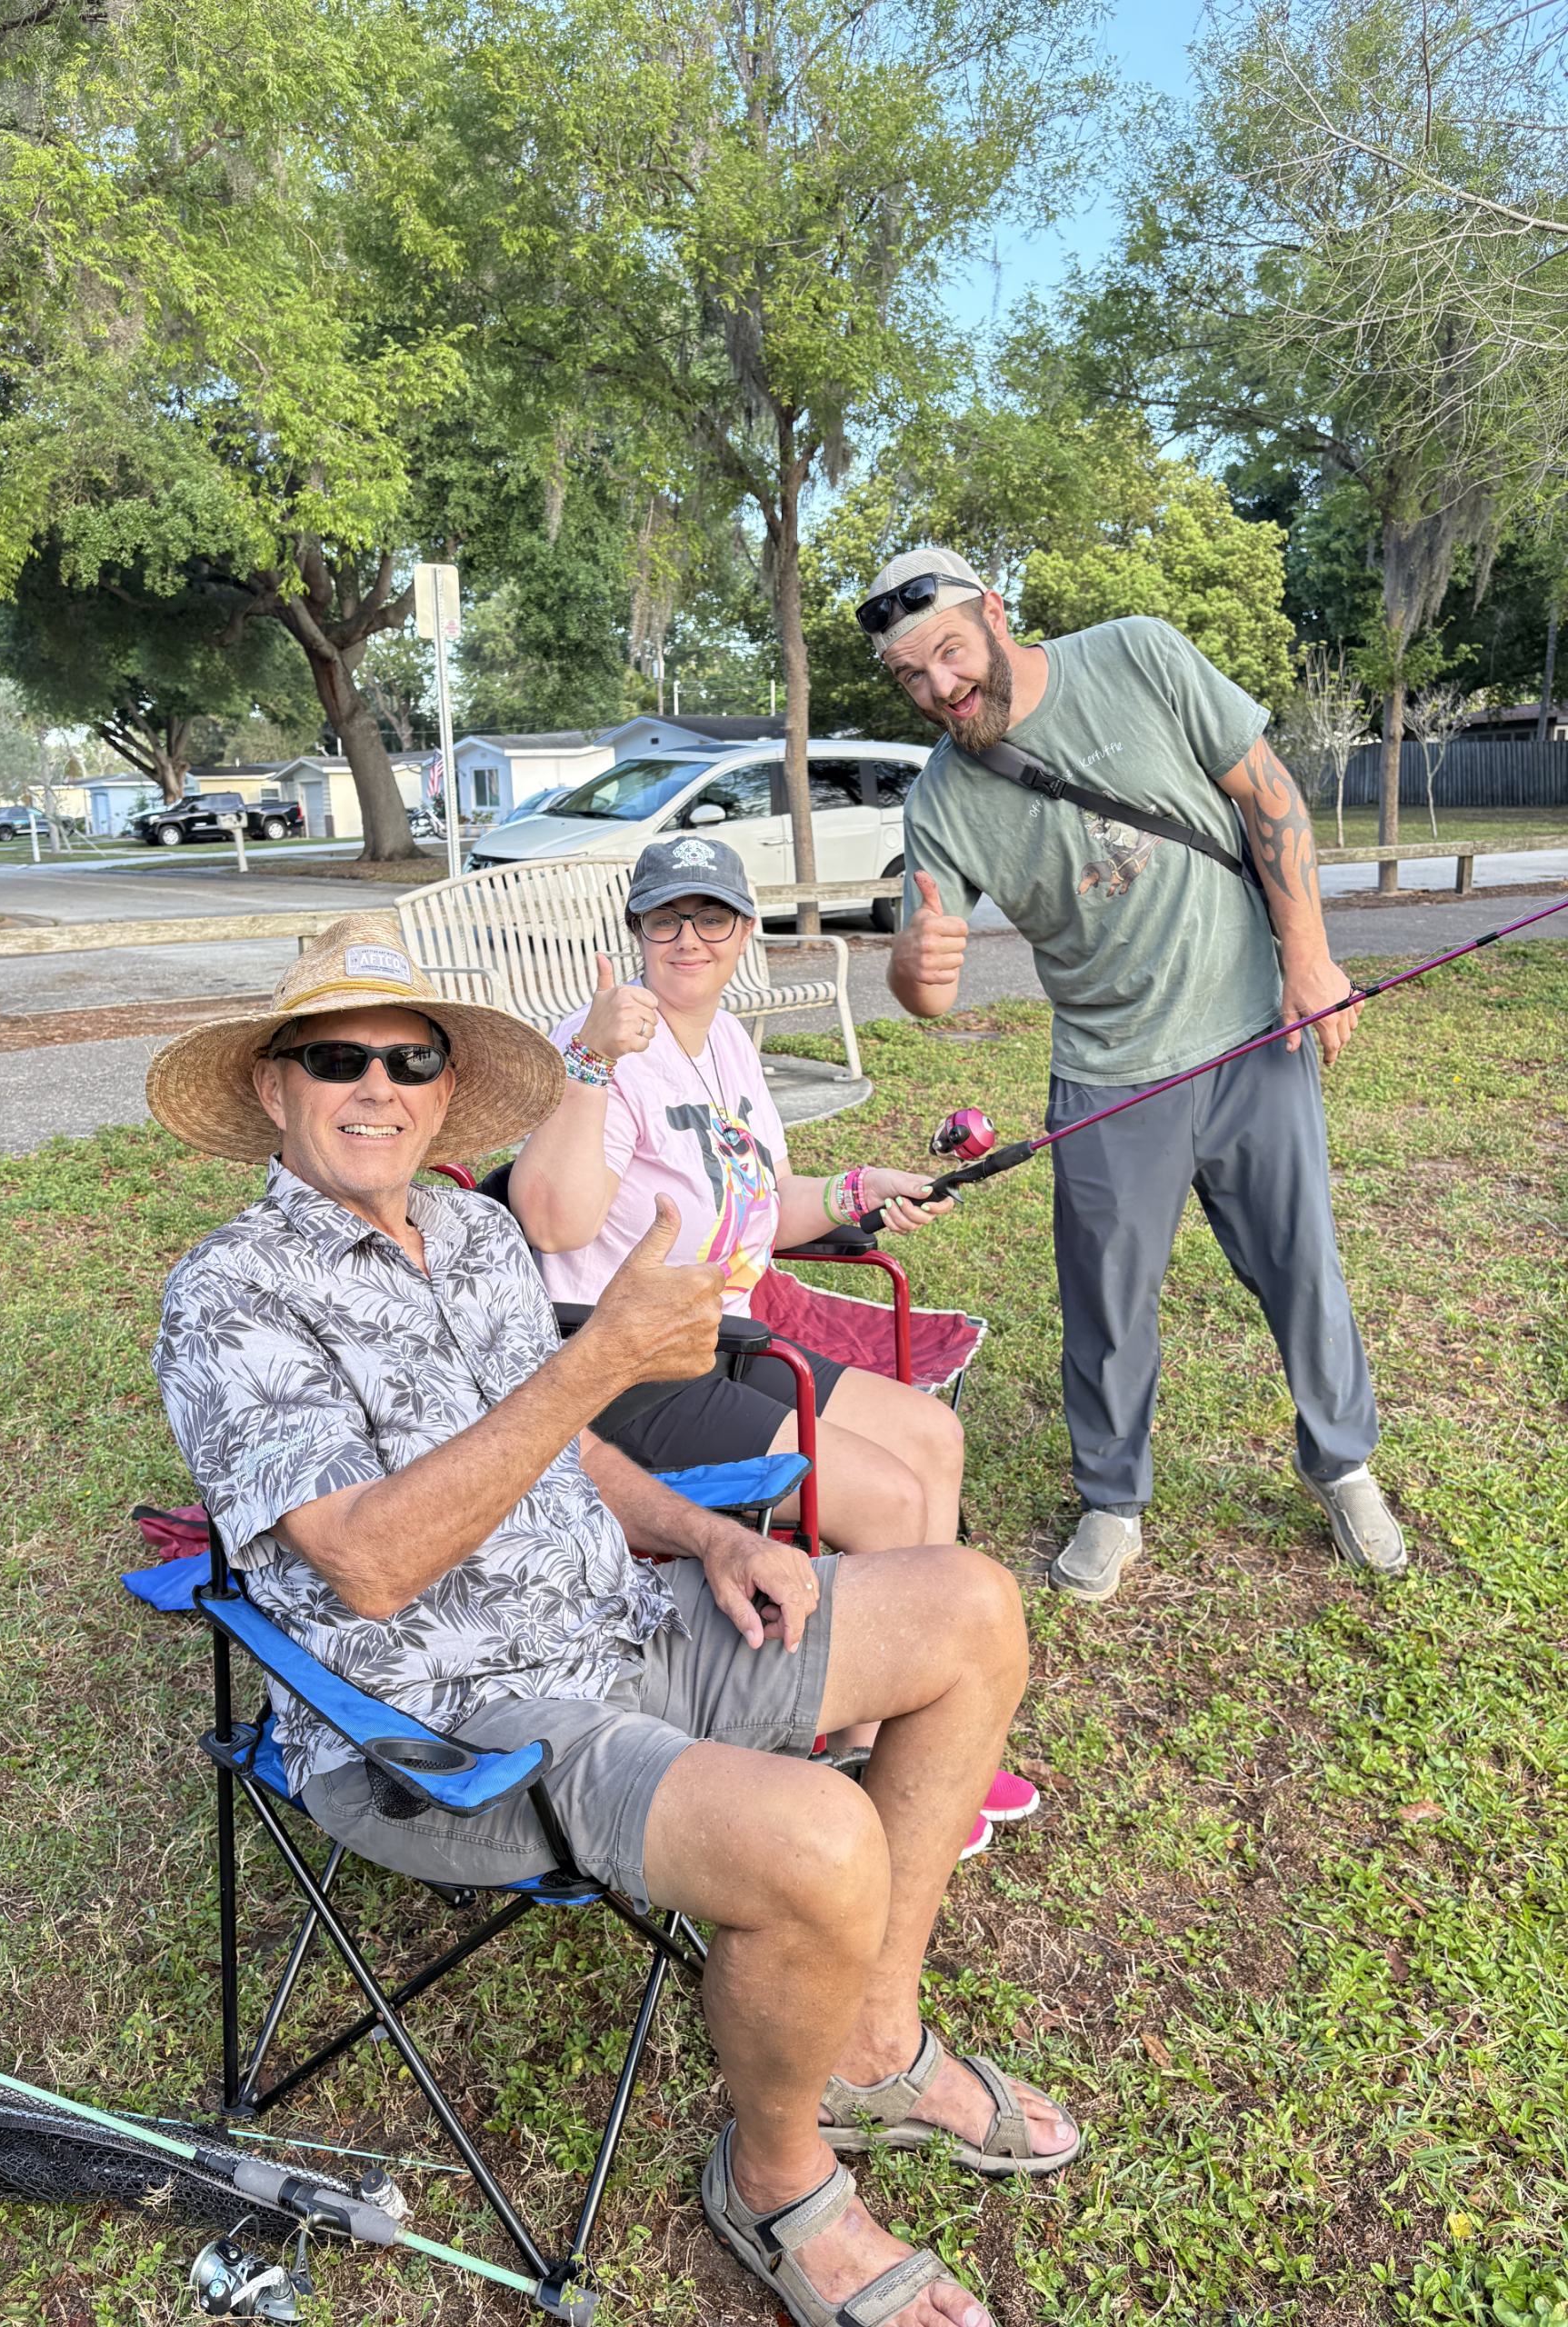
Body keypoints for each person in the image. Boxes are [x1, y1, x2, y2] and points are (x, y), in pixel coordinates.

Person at [147, 913, 1080, 2327]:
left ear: (449, 1093)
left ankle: (871, 2042)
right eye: (337, 1057)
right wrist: (599, 1364)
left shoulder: (467, 1229)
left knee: (970, 1607)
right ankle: (777, 2182)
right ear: (272, 1087)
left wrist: (706, 1534)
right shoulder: (228, 1297)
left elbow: (573, 1452)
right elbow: (368, 1565)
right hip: (448, 1728)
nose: (378, 1087)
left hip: (621, 1620)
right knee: (815, 1835)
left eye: (412, 1059)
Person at [864, 550, 1405, 1600]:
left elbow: (1269, 792)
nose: (938, 687)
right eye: (909, 676)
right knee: (1106, 1304)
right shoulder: (940, 801)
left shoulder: (1139, 654)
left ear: (994, 614)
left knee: (1302, 1269)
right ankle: (1113, 1502)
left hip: (1253, 1032)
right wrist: (910, 965)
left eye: (947, 652)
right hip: (1109, 1076)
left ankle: (1344, 1465)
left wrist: (1308, 954)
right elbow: (925, 986)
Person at [508, 835, 1041, 1853]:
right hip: (618, 1364)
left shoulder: (732, 1048)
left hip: (723, 1335)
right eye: (664, 917)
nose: (688, 938)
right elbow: (550, 1217)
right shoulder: (597, 1046)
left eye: (711, 916)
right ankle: (878, 1776)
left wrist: (852, 1192)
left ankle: (884, 1738)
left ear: (745, 931)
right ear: (635, 931)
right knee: (882, 1498)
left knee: (929, 1437)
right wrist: (586, 1058)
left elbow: (760, 1204)